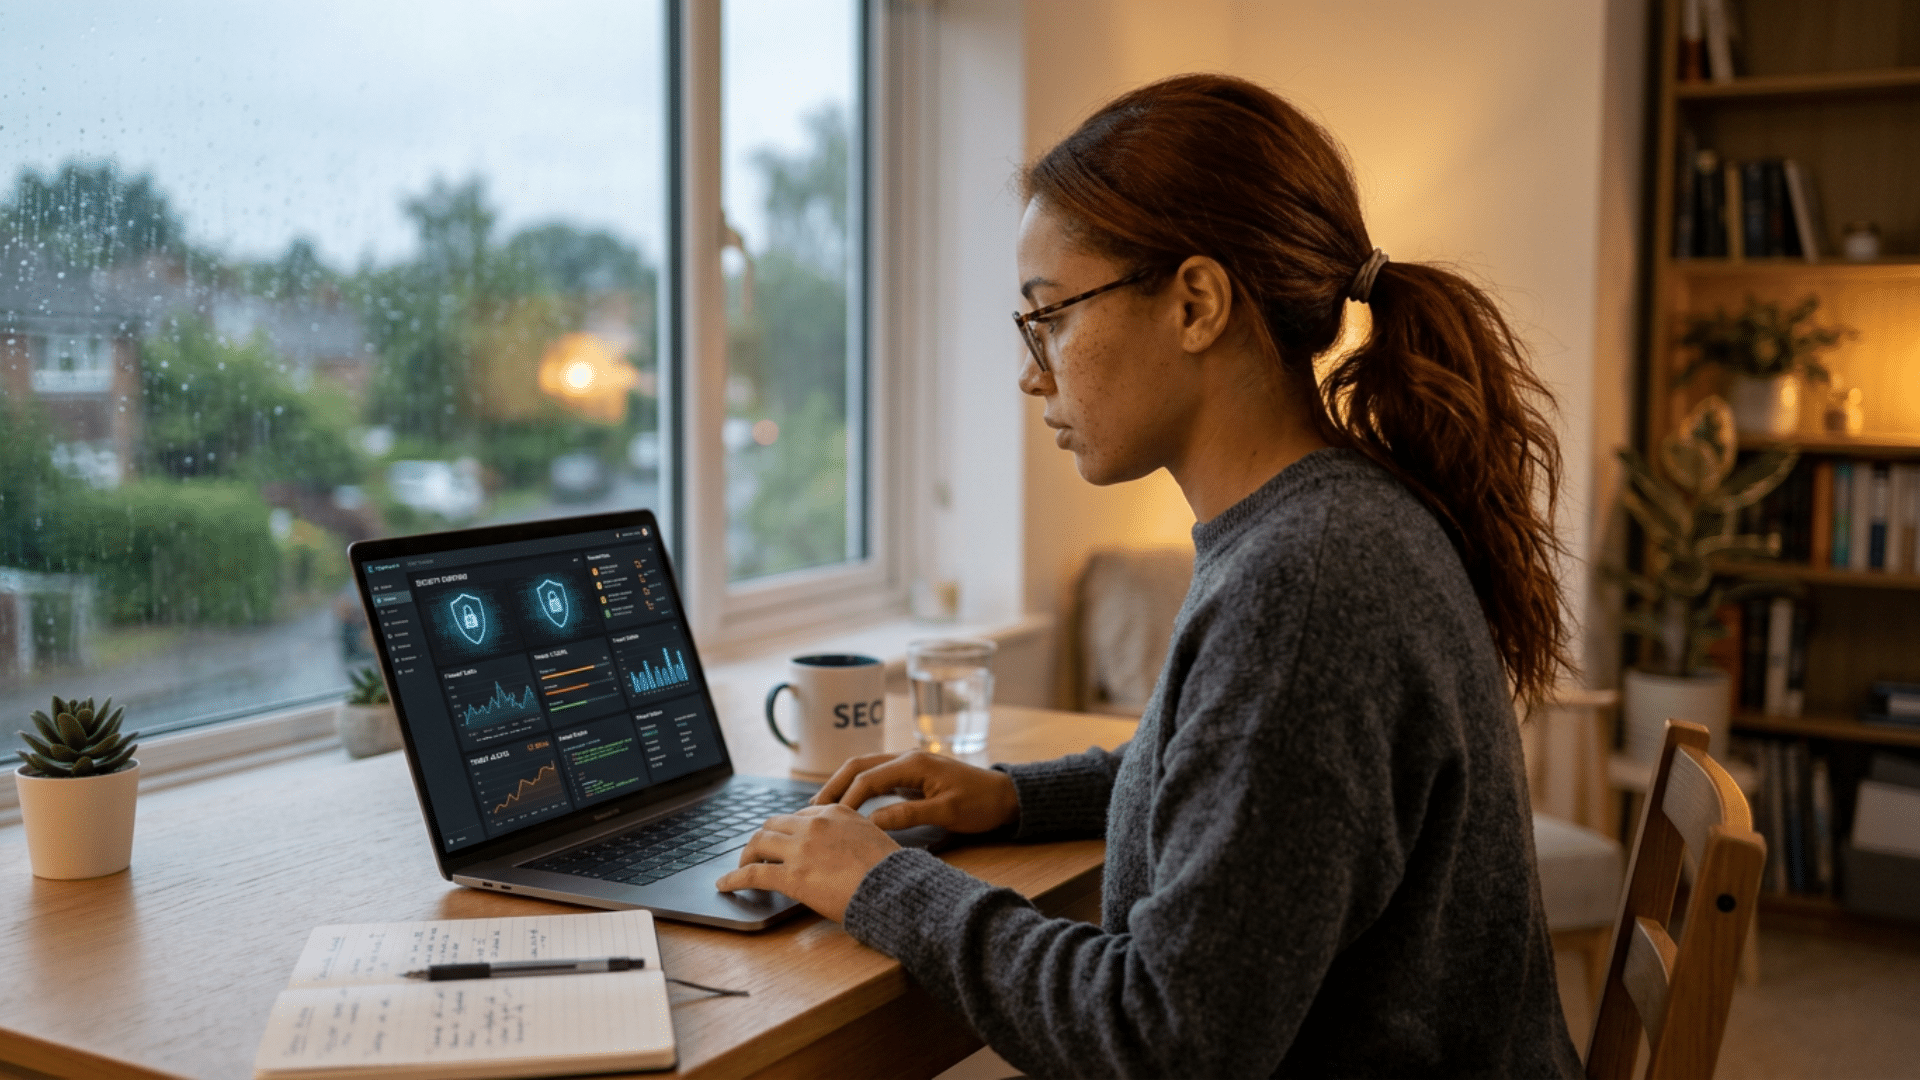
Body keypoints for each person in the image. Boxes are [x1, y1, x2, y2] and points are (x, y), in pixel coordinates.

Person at [716, 73, 1583, 1077]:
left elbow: (1162, 1043)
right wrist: (1009, 797)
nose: (1031, 372)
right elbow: (1241, 791)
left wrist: (881, 884)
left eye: (1051, 317)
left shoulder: (1305, 586)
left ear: (1197, 303)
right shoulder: (1329, 521)